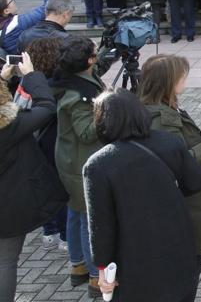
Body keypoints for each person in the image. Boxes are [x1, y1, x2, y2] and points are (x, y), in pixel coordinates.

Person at [84, 90, 201, 302]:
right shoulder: (170, 142)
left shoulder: (98, 165)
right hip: (179, 245)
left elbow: (100, 225)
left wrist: (103, 267)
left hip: (133, 259)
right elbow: (197, 182)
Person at [140, 55, 201, 284]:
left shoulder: (160, 107)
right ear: (168, 81)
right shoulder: (161, 119)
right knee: (187, 270)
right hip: (186, 203)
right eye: (182, 75)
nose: (185, 79)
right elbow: (179, 162)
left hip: (184, 200)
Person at [0, 54, 67, 302]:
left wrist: (1, 79)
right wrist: (31, 75)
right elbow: (46, 107)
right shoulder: (8, 126)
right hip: (8, 204)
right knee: (6, 261)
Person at [53, 36, 106, 296]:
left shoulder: (69, 76)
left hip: (69, 158)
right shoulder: (78, 96)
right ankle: (97, 278)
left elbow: (97, 70)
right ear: (88, 60)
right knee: (88, 218)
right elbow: (86, 132)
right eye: (95, 53)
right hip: (79, 162)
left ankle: (78, 266)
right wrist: (107, 108)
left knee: (75, 212)